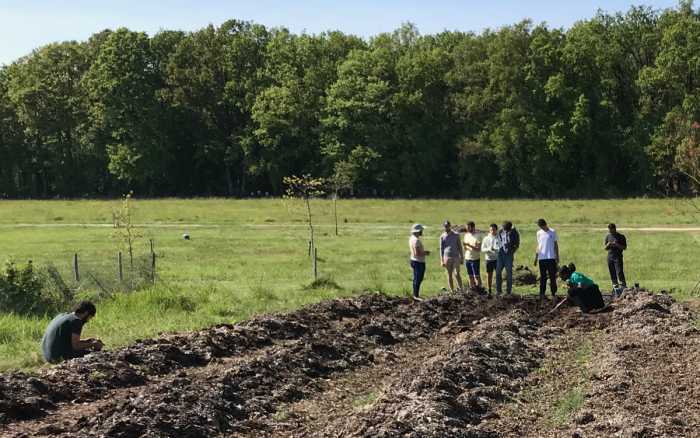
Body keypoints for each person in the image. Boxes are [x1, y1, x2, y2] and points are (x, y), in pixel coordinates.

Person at [535, 218, 559, 303]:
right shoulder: (538, 233)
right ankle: (542, 294)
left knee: (552, 277)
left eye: (539, 225)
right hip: (542, 258)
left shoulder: (552, 231)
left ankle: (553, 293)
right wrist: (536, 257)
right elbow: (538, 246)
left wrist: (557, 256)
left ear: (543, 224)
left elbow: (556, 245)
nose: (539, 227)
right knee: (543, 277)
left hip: (551, 258)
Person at [496, 221, 520, 296]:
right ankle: (498, 291)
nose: (505, 231)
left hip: (509, 254)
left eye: (507, 230)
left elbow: (517, 244)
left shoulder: (514, 233)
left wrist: (512, 251)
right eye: (504, 229)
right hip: (500, 254)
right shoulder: (500, 231)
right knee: (498, 272)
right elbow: (497, 240)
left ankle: (508, 291)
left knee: (509, 273)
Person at [440, 220, 464, 293]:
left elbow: (460, 246)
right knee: (449, 274)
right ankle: (452, 290)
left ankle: (461, 289)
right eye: (445, 226)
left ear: (450, 226)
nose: (446, 227)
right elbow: (441, 249)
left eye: (447, 226)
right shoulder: (442, 236)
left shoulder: (456, 235)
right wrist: (441, 260)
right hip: (447, 257)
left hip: (456, 256)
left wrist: (462, 257)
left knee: (457, 273)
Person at [604, 223, 627, 294]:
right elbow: (605, 248)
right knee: (612, 271)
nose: (610, 231)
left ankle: (623, 286)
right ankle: (615, 286)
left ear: (614, 229)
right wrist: (608, 245)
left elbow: (624, 247)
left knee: (619, 271)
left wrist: (617, 244)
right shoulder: (608, 236)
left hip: (618, 256)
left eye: (611, 229)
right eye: (609, 230)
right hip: (610, 256)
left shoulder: (621, 236)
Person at [409, 224, 430, 299]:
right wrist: (426, 253)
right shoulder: (416, 240)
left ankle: (415, 294)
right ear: (418, 231)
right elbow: (417, 253)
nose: (422, 231)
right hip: (418, 262)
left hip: (414, 260)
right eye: (421, 230)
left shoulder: (412, 238)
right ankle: (416, 295)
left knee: (416, 278)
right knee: (418, 279)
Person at [462, 221, 483, 291]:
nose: (467, 229)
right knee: (470, 276)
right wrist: (466, 247)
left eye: (468, 227)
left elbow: (478, 249)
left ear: (473, 227)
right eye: (467, 228)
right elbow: (465, 247)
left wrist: (469, 245)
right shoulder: (466, 235)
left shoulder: (478, 236)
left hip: (475, 258)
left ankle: (480, 290)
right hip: (467, 258)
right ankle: (472, 290)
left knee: (476, 276)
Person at [481, 223, 500, 296]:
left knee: (498, 274)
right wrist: (489, 249)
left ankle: (498, 290)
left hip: (497, 259)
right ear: (489, 230)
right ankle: (489, 289)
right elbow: (482, 249)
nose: (492, 231)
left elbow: (500, 248)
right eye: (491, 230)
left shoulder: (499, 238)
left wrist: (496, 250)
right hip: (489, 259)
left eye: (494, 230)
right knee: (489, 275)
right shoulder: (486, 238)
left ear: (496, 230)